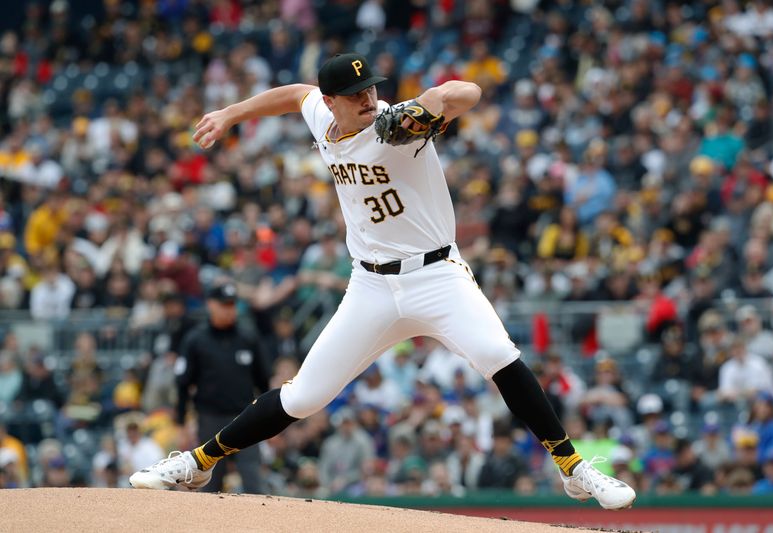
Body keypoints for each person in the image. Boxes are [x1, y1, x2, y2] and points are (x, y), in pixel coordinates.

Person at [130, 53, 636, 509]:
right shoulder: (321, 114)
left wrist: (430, 101)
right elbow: (292, 95)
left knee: (497, 354)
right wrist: (231, 113)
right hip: (370, 285)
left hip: (436, 273)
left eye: (371, 87)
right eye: (354, 94)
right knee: (304, 397)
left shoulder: (398, 125)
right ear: (331, 102)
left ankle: (573, 469)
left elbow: (467, 94)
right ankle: (200, 461)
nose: (368, 98)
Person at [173, 281, 271, 494]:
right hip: (210, 418)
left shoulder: (248, 338)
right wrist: (181, 423)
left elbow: (263, 381)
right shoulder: (196, 340)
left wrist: (269, 419)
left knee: (252, 477)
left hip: (246, 417)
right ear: (211, 305)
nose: (229, 310)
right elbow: (182, 383)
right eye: (224, 305)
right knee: (211, 480)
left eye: (232, 305)